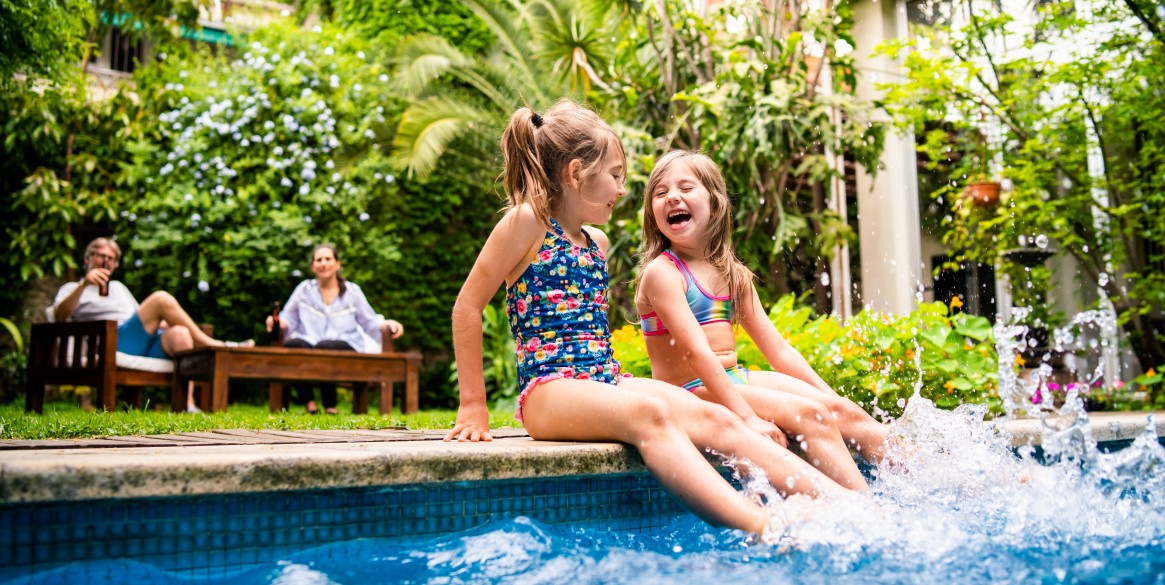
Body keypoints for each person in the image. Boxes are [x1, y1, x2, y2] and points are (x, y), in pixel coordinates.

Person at [445, 99, 850, 538]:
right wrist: (473, 406)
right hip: (549, 391)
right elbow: (467, 306)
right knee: (651, 413)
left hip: (603, 378)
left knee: (717, 418)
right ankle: (762, 526)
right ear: (577, 173)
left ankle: (840, 506)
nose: (622, 189)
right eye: (615, 175)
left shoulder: (594, 241)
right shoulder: (526, 222)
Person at [634, 150, 892, 490]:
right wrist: (747, 418)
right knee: (812, 416)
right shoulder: (662, 273)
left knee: (840, 411)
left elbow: (780, 352)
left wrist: (835, 398)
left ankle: (932, 477)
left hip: (732, 378)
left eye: (685, 187)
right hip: (691, 392)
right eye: (660, 192)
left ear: (715, 202)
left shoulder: (733, 274)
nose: (672, 198)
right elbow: (698, 353)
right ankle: (867, 512)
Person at [52, 237, 253, 412]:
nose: (106, 261)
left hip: (139, 341)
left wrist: (167, 322)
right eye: (100, 256)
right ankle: (213, 344)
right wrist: (85, 284)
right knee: (160, 299)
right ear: (87, 258)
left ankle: (188, 405)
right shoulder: (72, 288)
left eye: (111, 258)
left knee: (180, 333)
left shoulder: (119, 288)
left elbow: (142, 316)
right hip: (112, 342)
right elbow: (59, 315)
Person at [266, 244, 404, 415]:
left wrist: (387, 324)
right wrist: (277, 322)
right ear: (313, 266)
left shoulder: (353, 292)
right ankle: (310, 405)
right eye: (319, 260)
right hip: (310, 345)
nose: (323, 263)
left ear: (337, 264)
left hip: (345, 346)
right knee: (294, 344)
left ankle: (331, 406)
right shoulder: (303, 290)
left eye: (328, 259)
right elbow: (289, 318)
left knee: (326, 346)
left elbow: (369, 322)